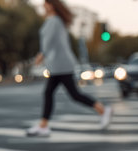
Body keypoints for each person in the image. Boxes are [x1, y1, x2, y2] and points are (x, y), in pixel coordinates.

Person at [26, 0, 113, 137]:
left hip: (60, 64)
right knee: (57, 93)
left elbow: (48, 41)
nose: (43, 6)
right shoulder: (57, 20)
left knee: (67, 94)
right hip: (60, 63)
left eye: (46, 3)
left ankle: (102, 109)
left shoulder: (54, 21)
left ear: (51, 5)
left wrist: (41, 55)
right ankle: (43, 125)